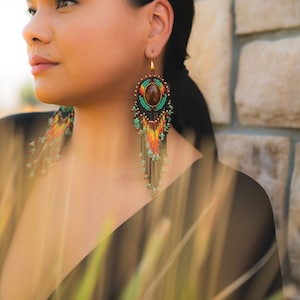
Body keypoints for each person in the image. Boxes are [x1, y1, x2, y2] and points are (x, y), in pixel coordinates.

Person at [0, 0, 282, 299]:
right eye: (32, 10)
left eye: (66, 2)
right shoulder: (9, 146)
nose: (30, 30)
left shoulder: (227, 211)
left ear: (155, 25)